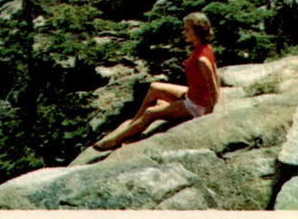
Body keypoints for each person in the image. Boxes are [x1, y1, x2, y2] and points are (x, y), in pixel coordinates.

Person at [93, 12, 219, 151]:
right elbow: (216, 76)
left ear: (197, 31)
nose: (184, 32)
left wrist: (205, 118)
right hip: (191, 95)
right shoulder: (203, 48)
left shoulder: (202, 59)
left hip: (195, 106)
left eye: (187, 30)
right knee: (154, 87)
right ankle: (134, 124)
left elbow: (213, 89)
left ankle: (115, 141)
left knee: (150, 113)